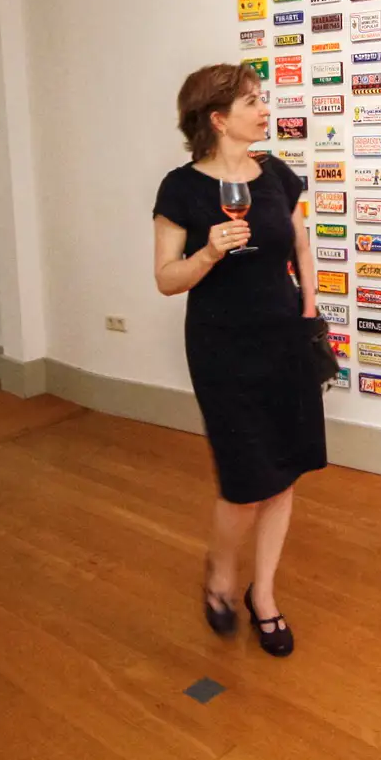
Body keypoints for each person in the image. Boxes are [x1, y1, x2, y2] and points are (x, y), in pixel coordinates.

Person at [151, 63, 325, 657]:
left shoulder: (276, 175)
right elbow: (166, 279)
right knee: (244, 480)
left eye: (261, 98)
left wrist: (309, 315)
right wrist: (207, 254)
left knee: (285, 472)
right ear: (218, 119)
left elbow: (301, 248)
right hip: (222, 348)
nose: (264, 108)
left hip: (284, 339)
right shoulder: (181, 189)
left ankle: (264, 595)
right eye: (252, 101)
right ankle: (221, 574)